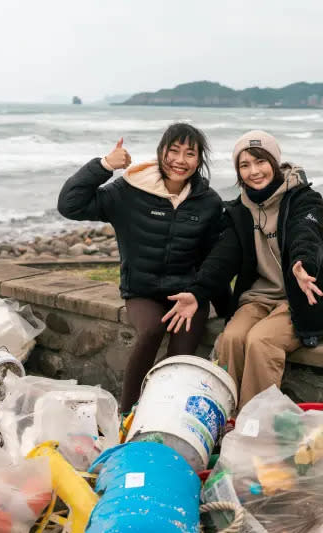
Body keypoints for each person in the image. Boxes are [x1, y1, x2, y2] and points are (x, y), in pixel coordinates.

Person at [162, 130, 323, 409]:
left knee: (261, 342)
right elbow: (223, 258)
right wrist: (198, 293)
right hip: (258, 298)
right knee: (232, 339)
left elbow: (306, 233)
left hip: (299, 298)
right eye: (244, 165)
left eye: (260, 162)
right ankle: (223, 416)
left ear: (274, 162)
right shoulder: (239, 210)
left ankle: (255, 424)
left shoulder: (303, 199)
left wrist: (302, 264)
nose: (254, 171)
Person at [57, 123, 228, 412]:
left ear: (199, 160)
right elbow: (70, 205)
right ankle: (127, 411)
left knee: (181, 359)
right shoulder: (129, 190)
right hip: (142, 291)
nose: (180, 160)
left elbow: (214, 257)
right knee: (151, 330)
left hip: (188, 295)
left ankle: (166, 412)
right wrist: (103, 165)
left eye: (190, 153)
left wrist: (223, 307)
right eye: (173, 151)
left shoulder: (207, 202)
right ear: (161, 152)